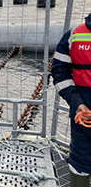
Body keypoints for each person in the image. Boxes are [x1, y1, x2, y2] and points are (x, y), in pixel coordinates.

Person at [51, 13, 91, 187]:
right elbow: (59, 73)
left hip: (83, 113)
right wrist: (78, 104)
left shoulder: (75, 34)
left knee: (80, 160)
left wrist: (78, 104)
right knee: (80, 159)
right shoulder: (74, 34)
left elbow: (60, 73)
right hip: (83, 115)